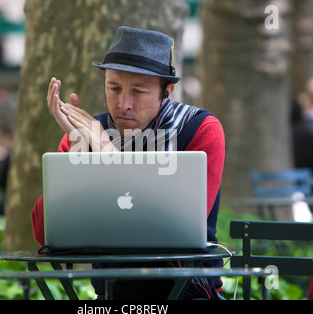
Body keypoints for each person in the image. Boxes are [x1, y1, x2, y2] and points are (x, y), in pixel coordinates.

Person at [31, 26, 226, 299]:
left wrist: (107, 152)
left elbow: (175, 227)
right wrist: (78, 147)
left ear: (166, 91)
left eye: (138, 91)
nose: (124, 103)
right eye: (114, 88)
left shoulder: (200, 129)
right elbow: (44, 233)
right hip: (111, 295)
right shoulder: (87, 131)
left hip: (187, 292)